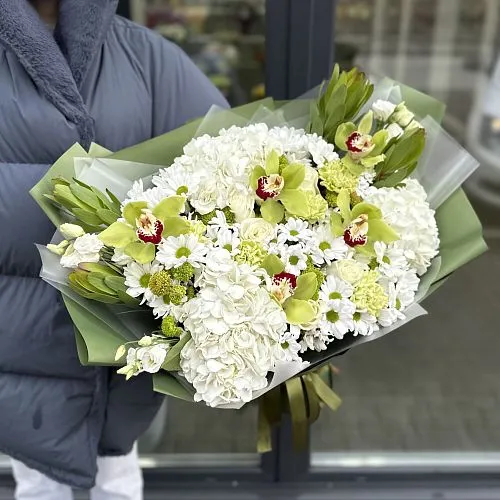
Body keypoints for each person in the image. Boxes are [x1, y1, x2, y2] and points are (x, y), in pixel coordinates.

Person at [0, 0, 227, 499]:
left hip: (122, 322)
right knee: (38, 480)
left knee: (118, 474)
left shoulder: (147, 57)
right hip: (20, 322)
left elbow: (229, 167)